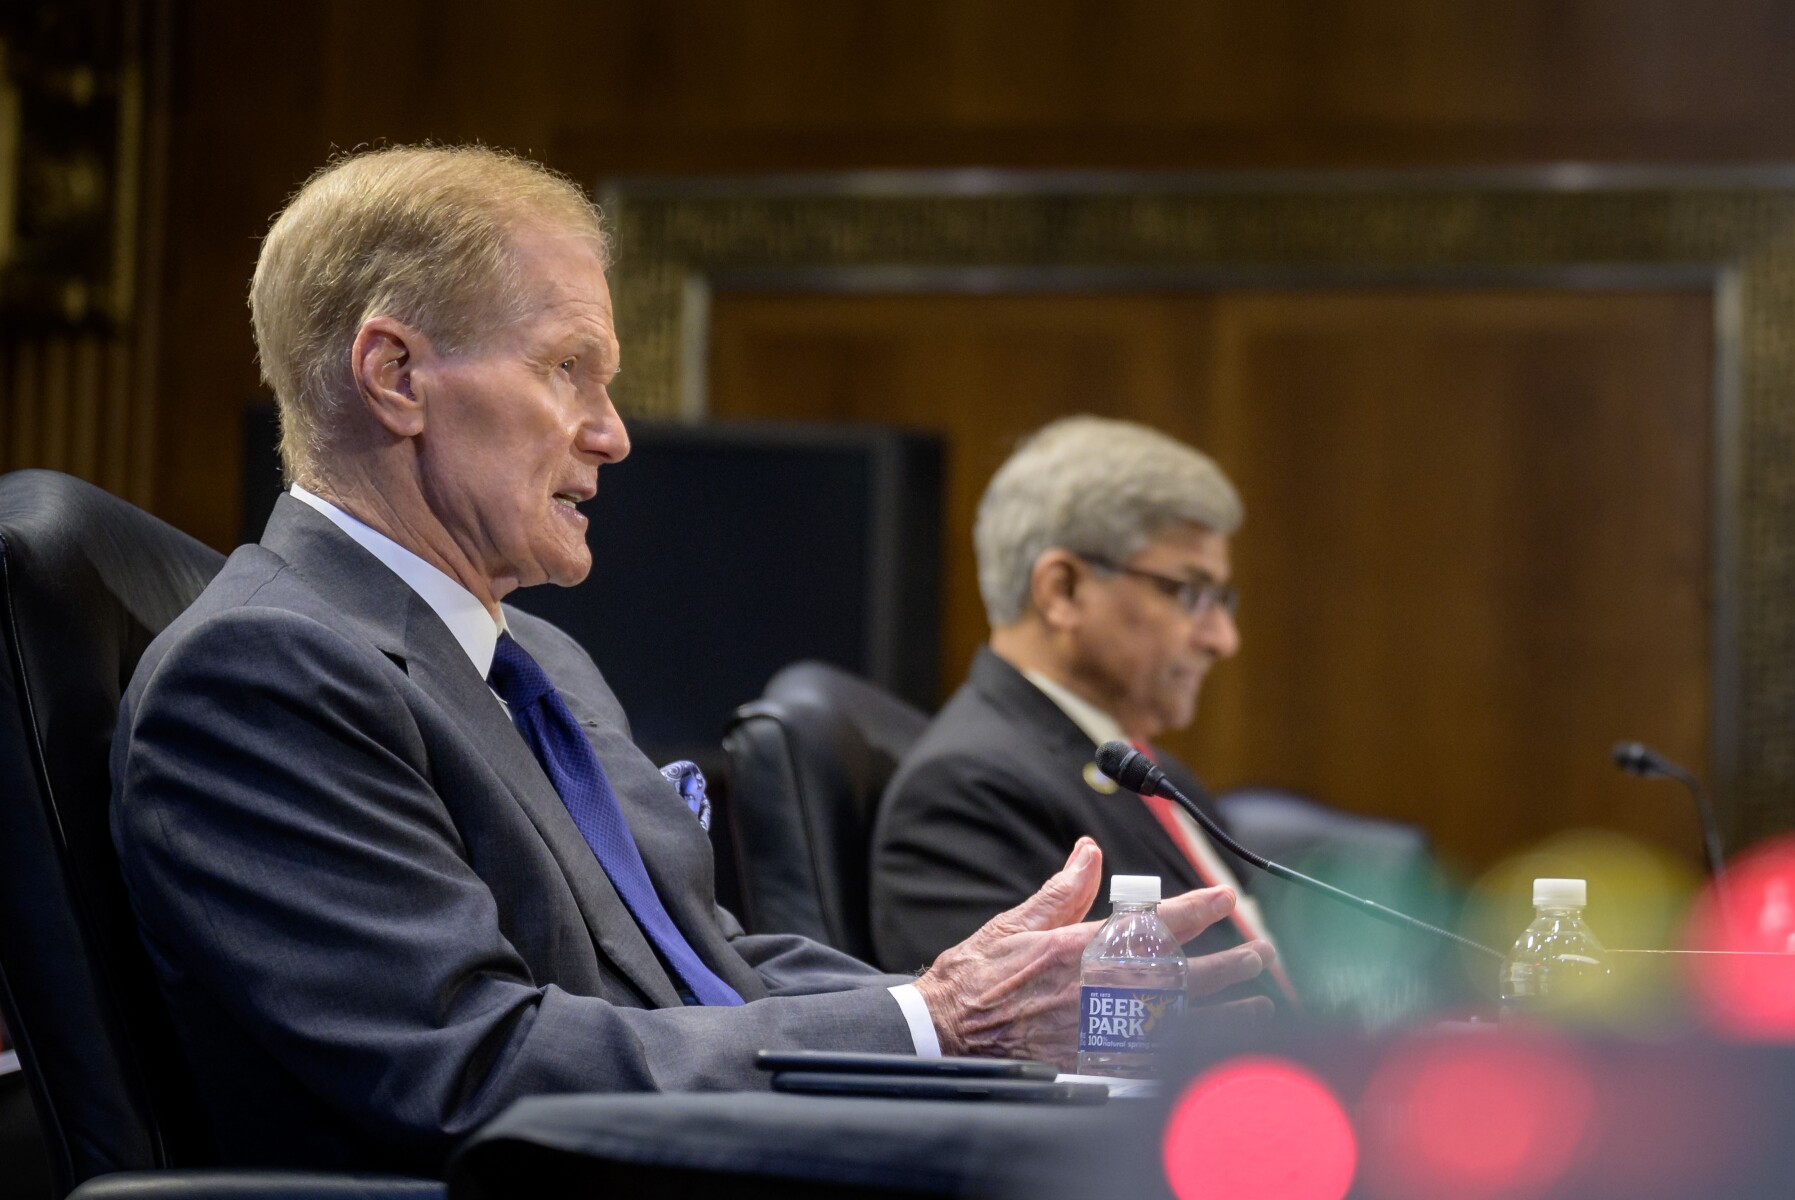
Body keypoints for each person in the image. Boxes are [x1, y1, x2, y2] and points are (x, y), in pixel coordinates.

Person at [108, 146, 1272, 1175]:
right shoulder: (263, 673)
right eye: (570, 368)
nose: (612, 432)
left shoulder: (542, 660)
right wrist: (935, 1019)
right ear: (397, 376)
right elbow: (474, 1066)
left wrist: (980, 995)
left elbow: (704, 959)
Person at [870, 417, 1290, 1002]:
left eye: (1222, 599)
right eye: (1191, 593)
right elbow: (1027, 1037)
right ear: (1063, 591)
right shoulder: (966, 793)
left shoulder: (1148, 771)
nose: (1223, 639)